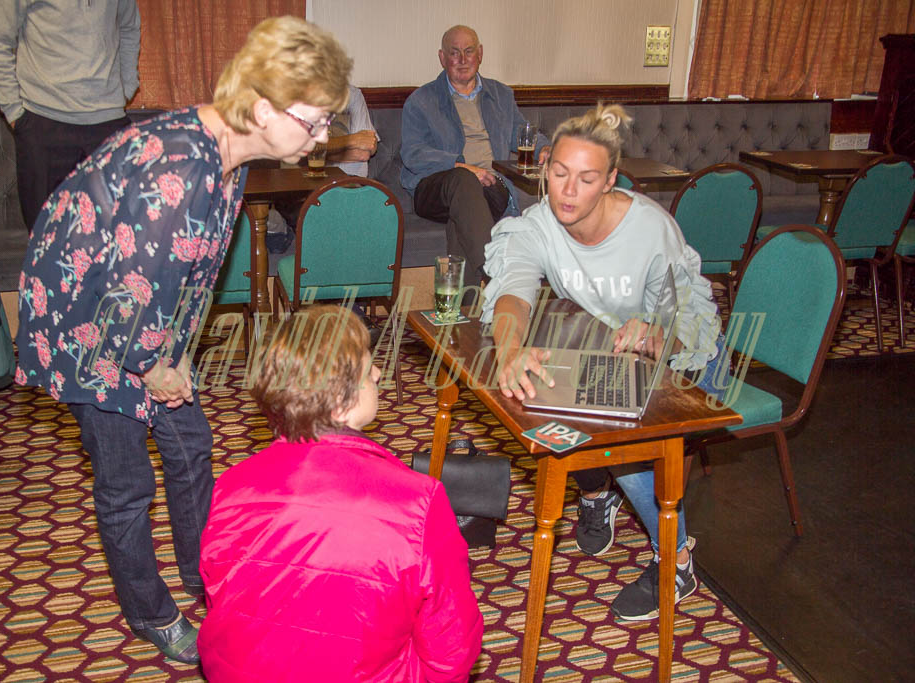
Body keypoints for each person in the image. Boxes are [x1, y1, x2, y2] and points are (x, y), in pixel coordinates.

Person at [12, 17, 353, 663]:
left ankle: (205, 573)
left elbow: (186, 273)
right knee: (126, 483)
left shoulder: (227, 153)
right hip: (86, 324)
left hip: (136, 320)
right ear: (263, 108)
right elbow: (126, 293)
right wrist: (153, 365)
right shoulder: (183, 167)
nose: (322, 137)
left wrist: (176, 353)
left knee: (189, 441)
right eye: (314, 122)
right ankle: (151, 612)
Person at [479, 103, 728, 621]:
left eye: (586, 179)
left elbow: (688, 328)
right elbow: (513, 292)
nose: (568, 191)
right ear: (544, 167)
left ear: (611, 180)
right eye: (559, 173)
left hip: (689, 361)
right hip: (614, 354)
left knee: (626, 441)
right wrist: (509, 351)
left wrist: (654, 334)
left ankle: (677, 561)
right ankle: (598, 491)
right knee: (544, 383)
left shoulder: (650, 230)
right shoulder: (537, 225)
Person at [198, 305, 483, 680]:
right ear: (338, 399)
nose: (378, 373)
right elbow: (451, 645)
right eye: (367, 369)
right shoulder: (417, 502)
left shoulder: (230, 486)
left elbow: (223, 602)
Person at [401, 25, 550, 289]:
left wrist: (546, 149)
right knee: (463, 180)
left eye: (468, 51)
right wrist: (461, 166)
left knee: (462, 220)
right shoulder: (421, 100)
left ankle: (465, 306)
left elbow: (522, 132)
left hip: (490, 187)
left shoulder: (501, 95)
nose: (462, 59)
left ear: (480, 54)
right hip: (435, 188)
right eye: (454, 52)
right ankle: (494, 272)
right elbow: (413, 153)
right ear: (442, 57)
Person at [0, 0, 142, 233]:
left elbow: (129, 27)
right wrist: (15, 111)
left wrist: (127, 86)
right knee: (45, 237)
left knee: (118, 234)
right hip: (43, 125)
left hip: (109, 122)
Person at [267, 83, 379, 253]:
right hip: (303, 188)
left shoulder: (352, 95)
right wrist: (350, 140)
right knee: (311, 212)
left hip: (350, 186)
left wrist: (315, 152)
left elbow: (365, 151)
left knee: (370, 208)